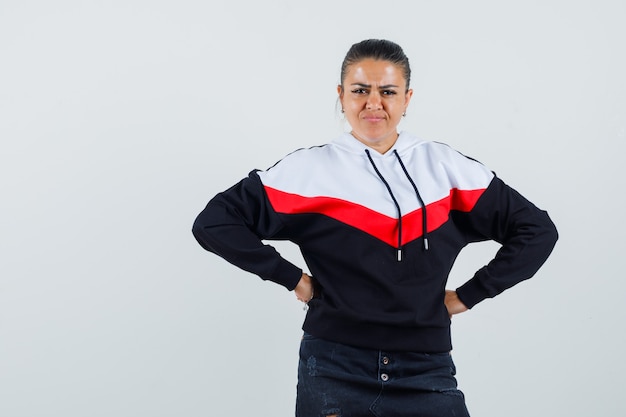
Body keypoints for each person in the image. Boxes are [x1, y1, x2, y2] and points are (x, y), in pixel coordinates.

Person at [192, 39, 558, 417]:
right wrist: (292, 279)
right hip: (334, 366)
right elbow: (214, 223)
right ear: (341, 94)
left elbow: (536, 231)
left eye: (387, 91)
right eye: (360, 90)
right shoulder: (306, 172)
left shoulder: (447, 169)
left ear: (407, 97)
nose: (373, 103)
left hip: (426, 367)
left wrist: (471, 294)